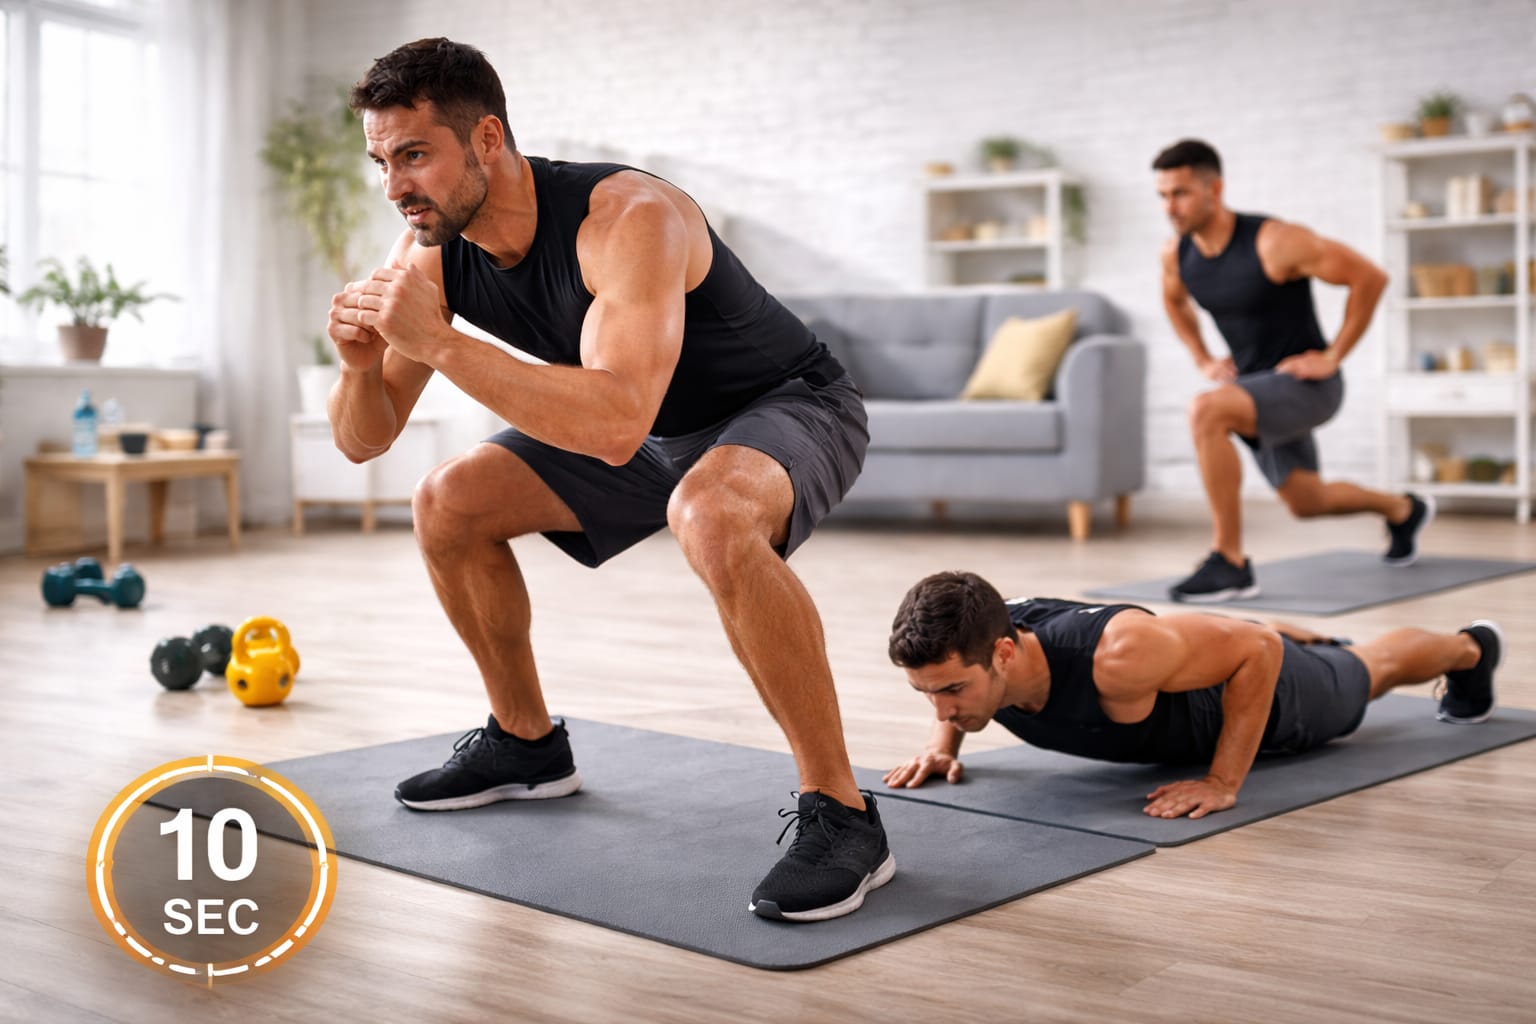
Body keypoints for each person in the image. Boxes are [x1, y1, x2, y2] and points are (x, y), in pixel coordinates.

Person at [328, 38, 891, 922]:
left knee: (708, 516)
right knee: (448, 502)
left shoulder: (628, 217)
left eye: (414, 155)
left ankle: (844, 815)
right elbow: (364, 442)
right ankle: (525, 744)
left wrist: (438, 342)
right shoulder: (434, 249)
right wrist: (362, 367)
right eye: (382, 161)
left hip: (785, 405)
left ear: (485, 140)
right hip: (644, 429)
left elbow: (615, 418)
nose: (396, 184)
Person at [883, 571, 1501, 819]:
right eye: (927, 695)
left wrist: (1223, 782)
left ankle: (1471, 648)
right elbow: (953, 681)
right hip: (1186, 661)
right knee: (1252, 641)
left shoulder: (1116, 655)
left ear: (1005, 654)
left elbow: (1257, 655)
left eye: (953, 692)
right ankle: (1286, 635)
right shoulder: (981, 634)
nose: (943, 708)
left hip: (1272, 696)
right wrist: (944, 742)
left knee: (1370, 668)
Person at [1153, 138, 1433, 602]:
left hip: (1308, 387)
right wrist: (1202, 357)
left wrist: (1334, 355)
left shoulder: (1274, 241)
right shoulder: (1176, 255)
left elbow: (1370, 277)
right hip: (1253, 389)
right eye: (1163, 195)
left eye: (1180, 193)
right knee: (1308, 502)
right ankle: (1404, 509)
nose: (1170, 207)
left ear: (1214, 189)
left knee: (1206, 411)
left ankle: (1230, 562)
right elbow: (1174, 301)